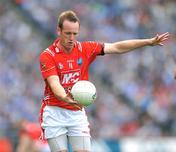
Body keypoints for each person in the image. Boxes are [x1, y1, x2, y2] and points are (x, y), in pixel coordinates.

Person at [39, 10, 169, 152]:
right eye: (67, 33)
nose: (71, 38)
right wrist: (65, 97)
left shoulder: (85, 48)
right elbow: (54, 84)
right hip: (54, 113)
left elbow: (116, 47)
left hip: (76, 113)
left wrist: (147, 42)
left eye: (75, 34)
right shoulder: (48, 55)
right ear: (59, 31)